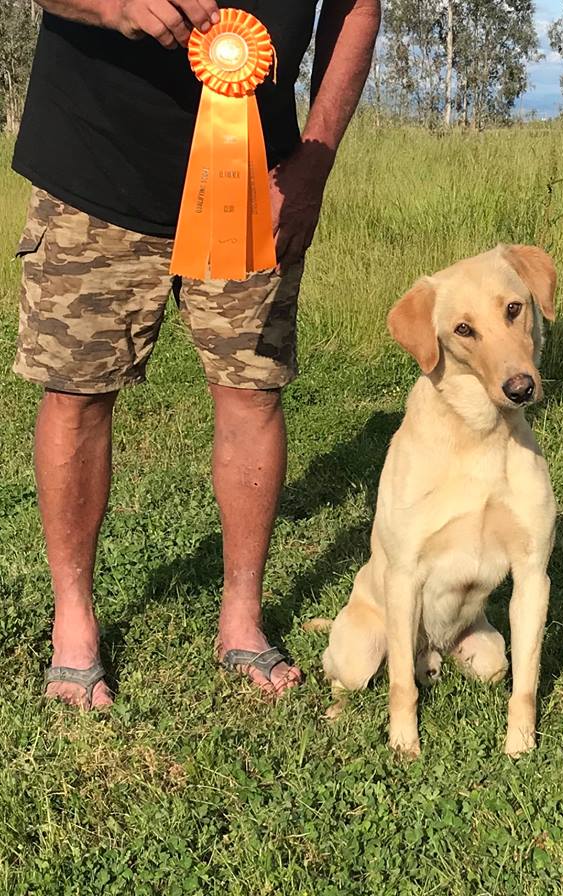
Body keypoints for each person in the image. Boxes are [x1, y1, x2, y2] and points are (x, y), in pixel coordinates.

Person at [12, 0, 381, 708]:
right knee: (77, 392)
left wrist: (317, 157)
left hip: (257, 176)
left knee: (253, 392)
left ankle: (242, 617)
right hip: (93, 159)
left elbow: (358, 6)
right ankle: (73, 621)